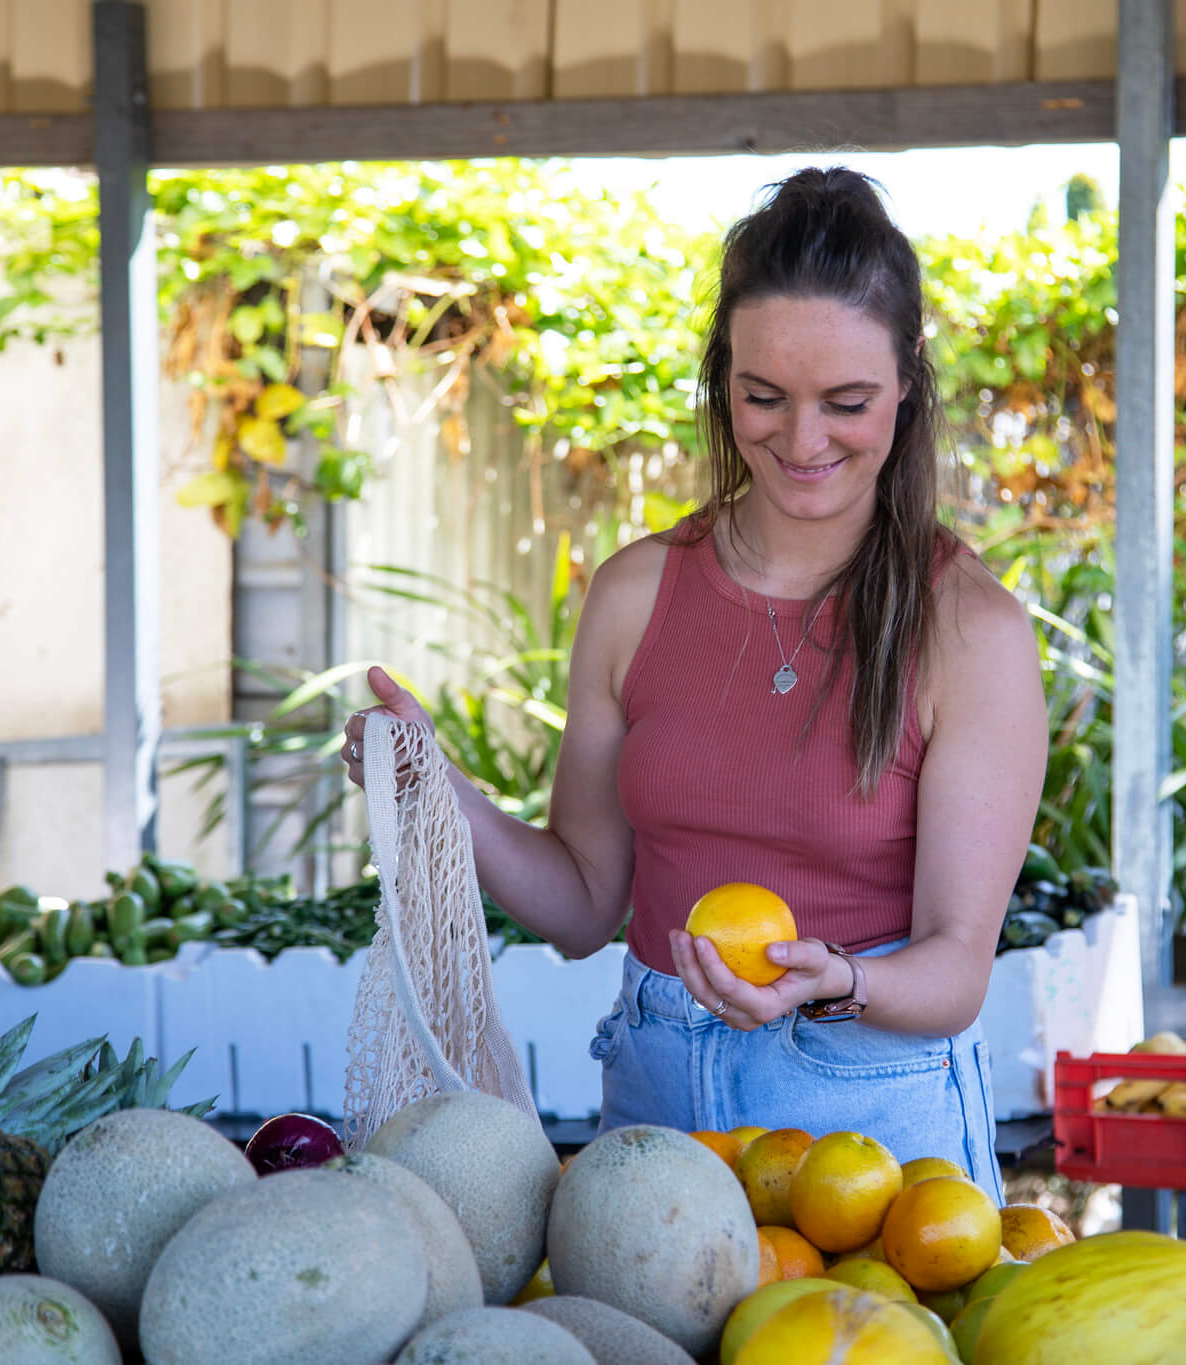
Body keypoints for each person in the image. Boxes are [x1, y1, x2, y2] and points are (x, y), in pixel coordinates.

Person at [343, 167, 1047, 1198]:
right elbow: (584, 904)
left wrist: (835, 982)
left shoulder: (969, 629)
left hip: (875, 1131)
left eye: (845, 403)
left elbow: (954, 971)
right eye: (762, 398)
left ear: (906, 384)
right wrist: (431, 791)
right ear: (723, 379)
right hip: (659, 1110)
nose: (801, 443)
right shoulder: (634, 594)